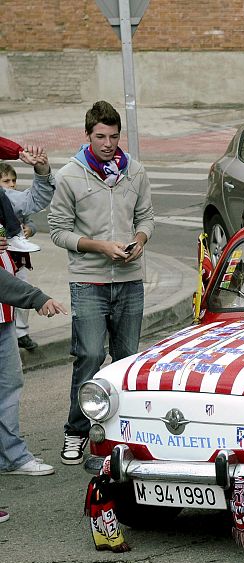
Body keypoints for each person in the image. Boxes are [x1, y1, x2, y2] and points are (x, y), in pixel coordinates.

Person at [48, 101, 155, 465]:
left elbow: (146, 218)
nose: (108, 143)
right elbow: (58, 232)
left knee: (127, 359)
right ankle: (75, 432)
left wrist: (139, 242)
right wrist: (99, 247)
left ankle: (121, 432)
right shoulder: (70, 176)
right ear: (88, 135)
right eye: (100, 137)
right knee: (90, 357)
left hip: (129, 280)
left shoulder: (135, 172)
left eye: (113, 136)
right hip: (88, 280)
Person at [0, 245, 67, 485]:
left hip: (4, 315)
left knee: (9, 386)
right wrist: (36, 298)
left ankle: (11, 457)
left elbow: (26, 207)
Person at [1, 162, 42, 351]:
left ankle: (22, 333)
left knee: (24, 291)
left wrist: (29, 230)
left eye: (13, 180)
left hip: (20, 257)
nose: (11, 184)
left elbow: (31, 221)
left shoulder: (17, 202)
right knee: (8, 294)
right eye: (5, 181)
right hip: (4, 256)